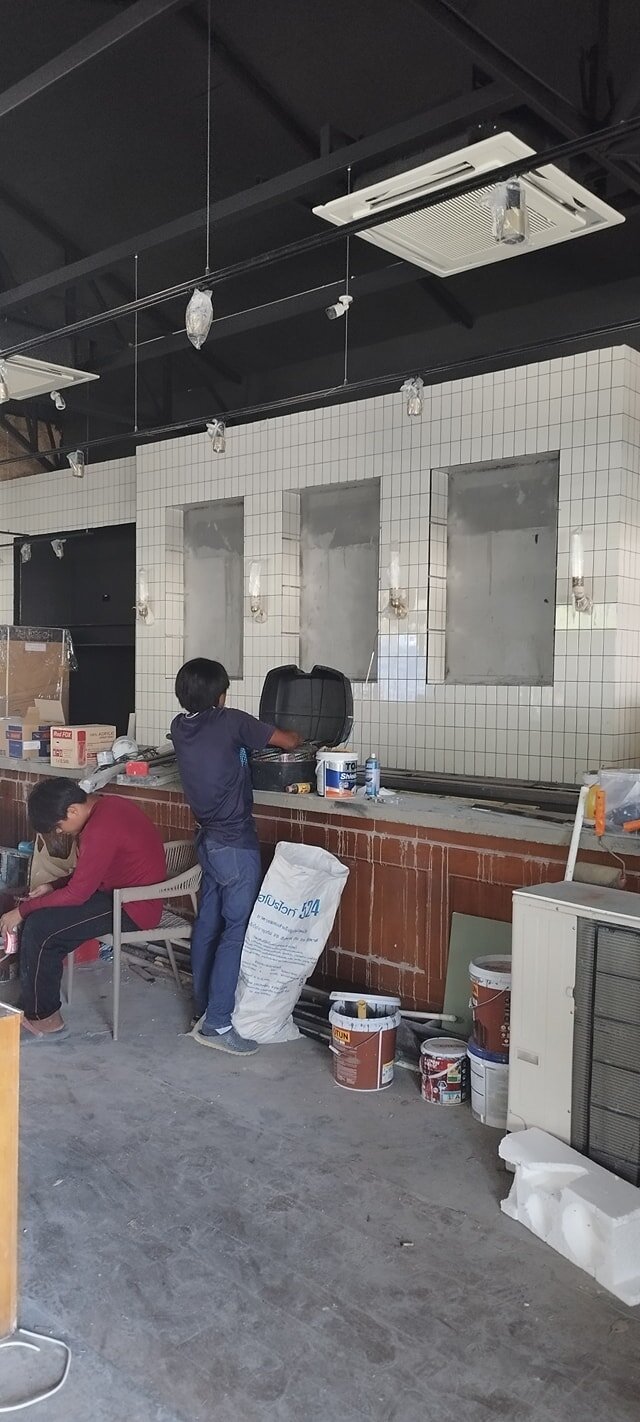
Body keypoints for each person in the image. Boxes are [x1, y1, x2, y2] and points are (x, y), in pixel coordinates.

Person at [171, 657, 302, 1056]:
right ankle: (218, 1022)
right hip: (234, 845)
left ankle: (201, 1006)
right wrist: (301, 734)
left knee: (209, 923)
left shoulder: (181, 727)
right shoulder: (230, 721)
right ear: (221, 694)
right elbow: (288, 742)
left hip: (208, 843)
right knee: (235, 931)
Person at [0, 780, 166, 1043]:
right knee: (41, 921)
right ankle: (34, 1004)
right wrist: (52, 886)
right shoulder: (106, 806)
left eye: (58, 827)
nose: (61, 833)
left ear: (73, 811)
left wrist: (22, 912)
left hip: (134, 906)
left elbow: (78, 894)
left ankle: (45, 1019)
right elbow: (90, 874)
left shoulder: (101, 828)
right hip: (113, 893)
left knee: (42, 929)